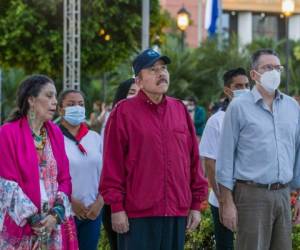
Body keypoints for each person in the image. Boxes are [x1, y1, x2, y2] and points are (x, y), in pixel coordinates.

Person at [100, 48, 208, 250]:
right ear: (138, 81)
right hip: (138, 214)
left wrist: (195, 205)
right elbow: (112, 164)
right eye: (152, 70)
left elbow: (193, 160)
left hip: (176, 212)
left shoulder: (179, 109)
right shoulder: (123, 112)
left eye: (163, 68)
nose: (161, 74)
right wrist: (116, 208)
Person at [216, 49, 300, 250]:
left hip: (283, 194)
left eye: (277, 68)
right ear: (254, 74)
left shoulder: (292, 107)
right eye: (267, 67)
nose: (274, 72)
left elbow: (297, 152)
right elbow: (225, 156)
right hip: (251, 195)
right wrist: (226, 202)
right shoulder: (238, 107)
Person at [0, 75, 78, 249]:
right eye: (49, 96)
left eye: (55, 97)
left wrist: (55, 215)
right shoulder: (7, 133)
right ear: (31, 100)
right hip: (22, 224)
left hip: (54, 223)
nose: (55, 102)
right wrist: (35, 220)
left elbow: (65, 179)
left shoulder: (55, 133)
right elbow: (6, 184)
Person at [200, 68, 250, 250]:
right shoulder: (217, 121)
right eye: (238, 86)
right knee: (225, 246)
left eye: (246, 85)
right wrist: (223, 200)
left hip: (251, 198)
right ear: (227, 90)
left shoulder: (255, 116)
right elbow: (210, 164)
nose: (244, 89)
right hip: (221, 199)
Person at [57, 90, 104, 250]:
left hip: (93, 212)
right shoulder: (52, 137)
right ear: (60, 110)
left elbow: (108, 174)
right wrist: (70, 201)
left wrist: (100, 202)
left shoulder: (95, 138)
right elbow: (46, 176)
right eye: (70, 104)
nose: (77, 107)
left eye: (81, 104)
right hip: (63, 212)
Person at [102, 78, 139, 250]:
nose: (136, 95)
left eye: (139, 91)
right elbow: (111, 163)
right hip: (118, 195)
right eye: (131, 92)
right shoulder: (114, 117)